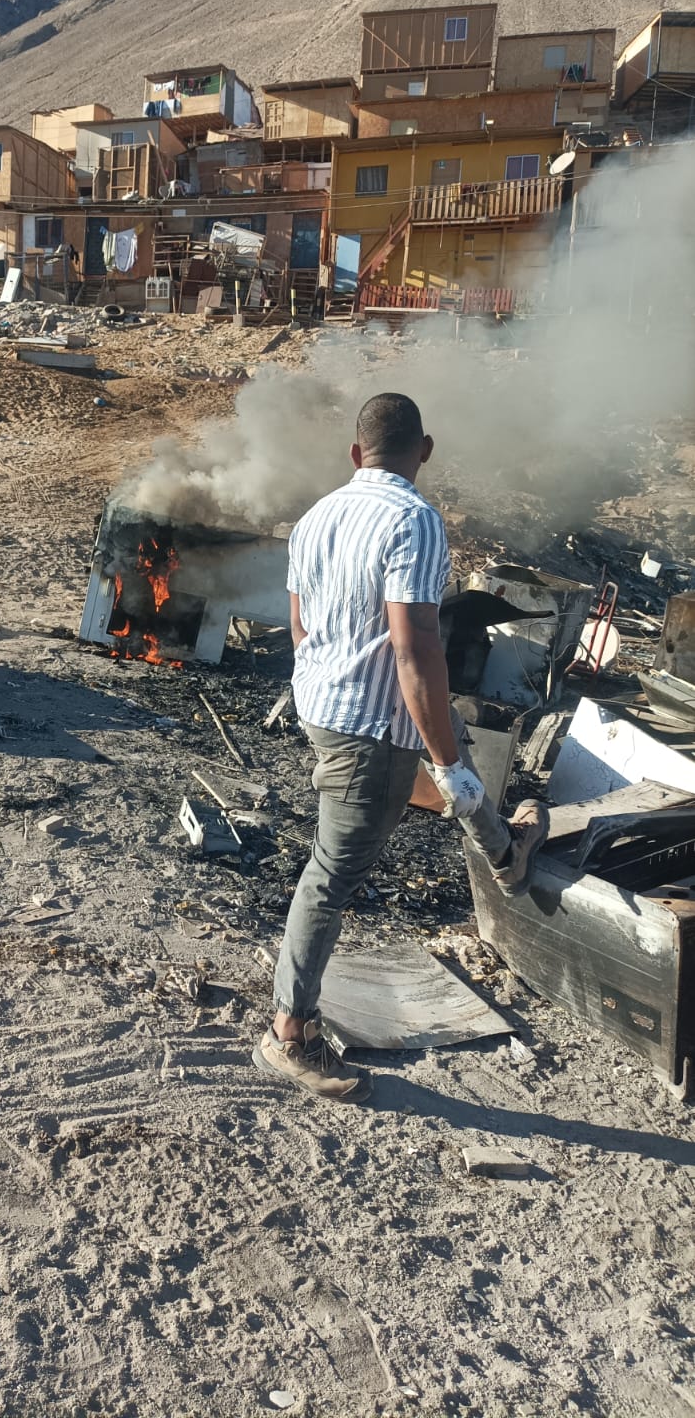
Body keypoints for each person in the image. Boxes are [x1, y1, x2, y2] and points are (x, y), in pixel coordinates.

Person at [254, 393, 548, 1105]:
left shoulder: (316, 516)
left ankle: (503, 849)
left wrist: (435, 749)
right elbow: (416, 648)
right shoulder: (414, 518)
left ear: (356, 453)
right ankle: (288, 1033)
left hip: (323, 708)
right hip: (369, 726)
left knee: (437, 759)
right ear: (426, 450)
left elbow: (300, 628)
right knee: (331, 874)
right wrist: (446, 762)